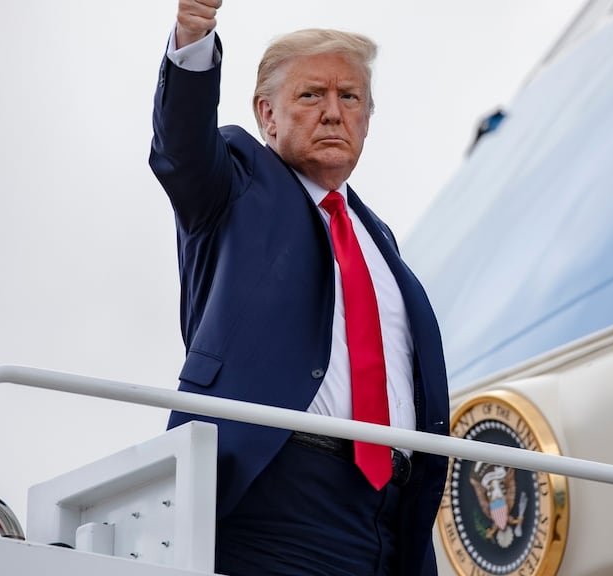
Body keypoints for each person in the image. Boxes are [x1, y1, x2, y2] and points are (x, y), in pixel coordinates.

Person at [149, 1, 450, 574]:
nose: (334, 113)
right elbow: (181, 150)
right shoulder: (237, 182)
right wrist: (192, 35)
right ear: (268, 116)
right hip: (276, 495)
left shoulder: (378, 239)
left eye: (350, 97)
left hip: (395, 518)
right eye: (312, 96)